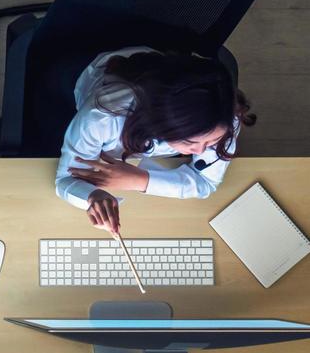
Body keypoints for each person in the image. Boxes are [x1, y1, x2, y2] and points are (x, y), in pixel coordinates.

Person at [56, 47, 255, 233]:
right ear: (158, 124)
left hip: (165, 74)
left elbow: (206, 182)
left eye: (211, 142)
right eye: (189, 143)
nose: (201, 152)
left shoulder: (224, 114)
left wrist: (139, 180)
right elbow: (65, 179)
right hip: (103, 78)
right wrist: (92, 196)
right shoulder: (102, 117)